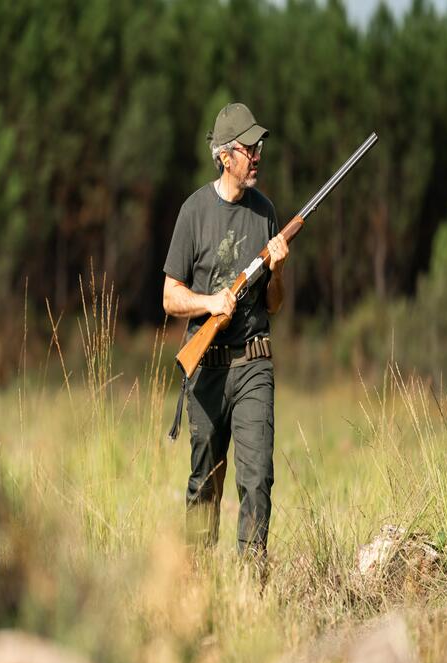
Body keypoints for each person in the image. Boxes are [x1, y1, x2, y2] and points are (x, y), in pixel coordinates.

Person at [162, 102, 289, 558]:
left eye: (259, 147)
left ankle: (251, 590)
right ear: (225, 155)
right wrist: (210, 302)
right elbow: (169, 295)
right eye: (249, 148)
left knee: (257, 479)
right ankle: (195, 596)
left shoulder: (265, 211)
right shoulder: (194, 212)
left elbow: (274, 304)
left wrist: (275, 271)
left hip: (254, 362)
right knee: (204, 487)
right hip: (208, 369)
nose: (257, 155)